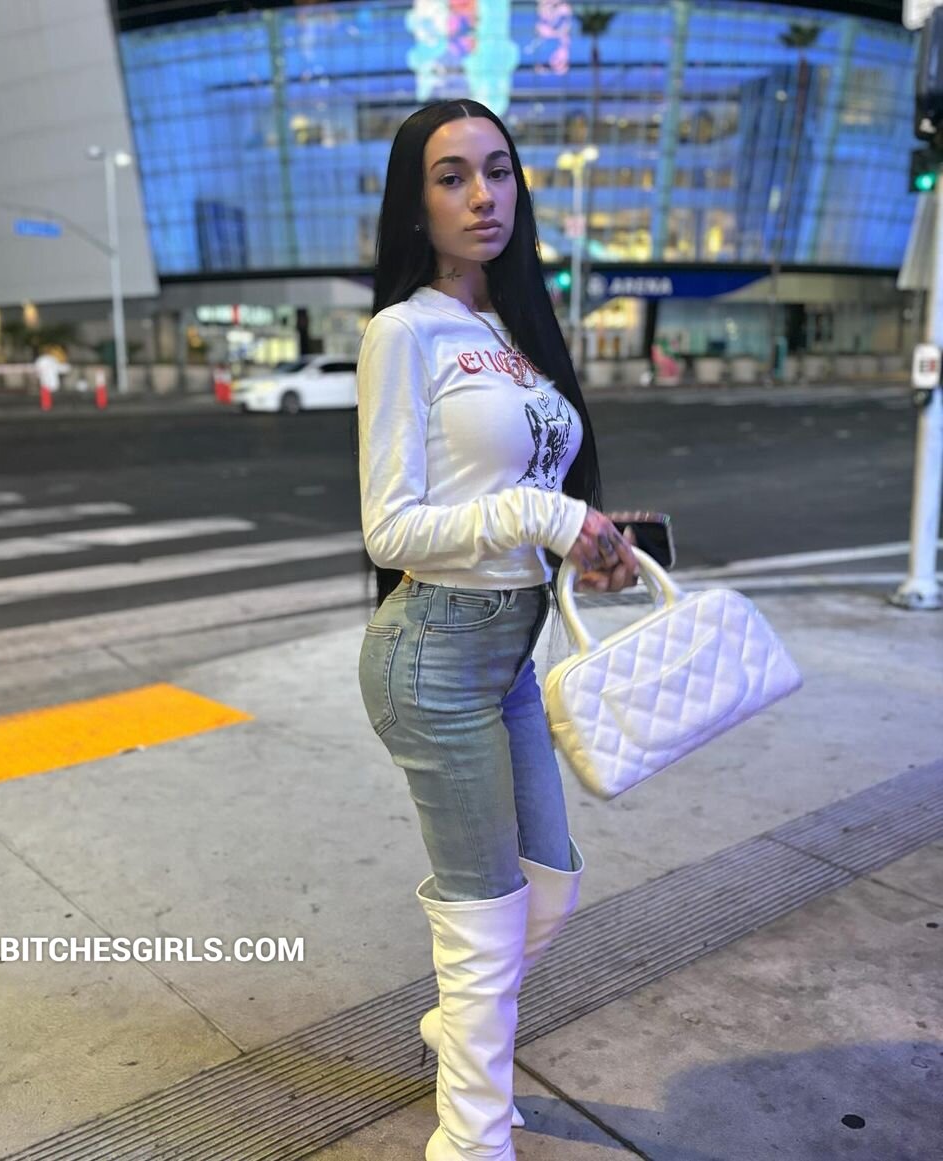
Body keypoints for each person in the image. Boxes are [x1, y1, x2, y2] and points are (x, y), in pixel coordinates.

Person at [355, 99, 639, 1161]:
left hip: (510, 652)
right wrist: (542, 517)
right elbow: (390, 528)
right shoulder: (405, 332)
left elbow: (530, 493)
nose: (484, 195)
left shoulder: (516, 335)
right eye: (452, 176)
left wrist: (585, 543)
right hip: (432, 652)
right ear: (414, 204)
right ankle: (470, 1137)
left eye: (500, 170)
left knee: (548, 886)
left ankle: (458, 1031)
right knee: (483, 914)